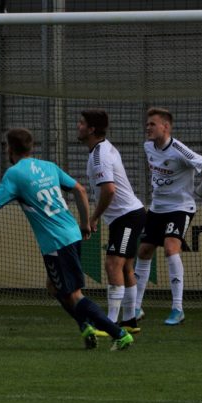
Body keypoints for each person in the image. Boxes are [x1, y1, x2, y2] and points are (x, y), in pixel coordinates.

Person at [0, 128, 134, 350]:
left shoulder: (15, 174)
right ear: (31, 147)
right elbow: (79, 189)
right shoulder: (47, 166)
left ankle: (118, 333)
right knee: (53, 286)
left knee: (75, 295)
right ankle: (85, 326)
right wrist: (85, 222)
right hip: (71, 233)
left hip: (56, 242)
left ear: (9, 149)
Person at [134, 107, 202, 325]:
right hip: (157, 208)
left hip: (180, 207)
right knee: (144, 251)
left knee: (171, 247)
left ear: (166, 126)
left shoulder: (180, 150)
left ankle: (177, 308)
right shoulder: (148, 147)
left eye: (152, 124)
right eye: (147, 124)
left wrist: (199, 191)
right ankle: (135, 307)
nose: (148, 128)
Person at [77, 109, 146, 333]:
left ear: (92, 129)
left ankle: (110, 323)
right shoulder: (103, 148)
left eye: (81, 123)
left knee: (112, 264)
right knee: (125, 266)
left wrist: (93, 218)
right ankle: (129, 321)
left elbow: (109, 190)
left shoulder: (99, 155)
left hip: (127, 215)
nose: (78, 126)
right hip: (128, 214)